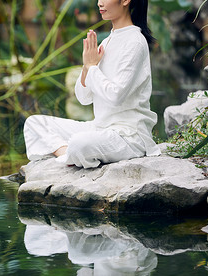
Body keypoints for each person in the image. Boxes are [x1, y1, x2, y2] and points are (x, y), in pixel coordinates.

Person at [23, 0, 161, 168]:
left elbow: (116, 96)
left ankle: (68, 155)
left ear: (125, 1)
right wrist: (87, 67)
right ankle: (68, 155)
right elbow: (83, 98)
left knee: (80, 143)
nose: (99, 3)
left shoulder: (135, 42)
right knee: (34, 123)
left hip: (128, 136)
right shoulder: (107, 42)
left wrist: (91, 67)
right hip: (99, 129)